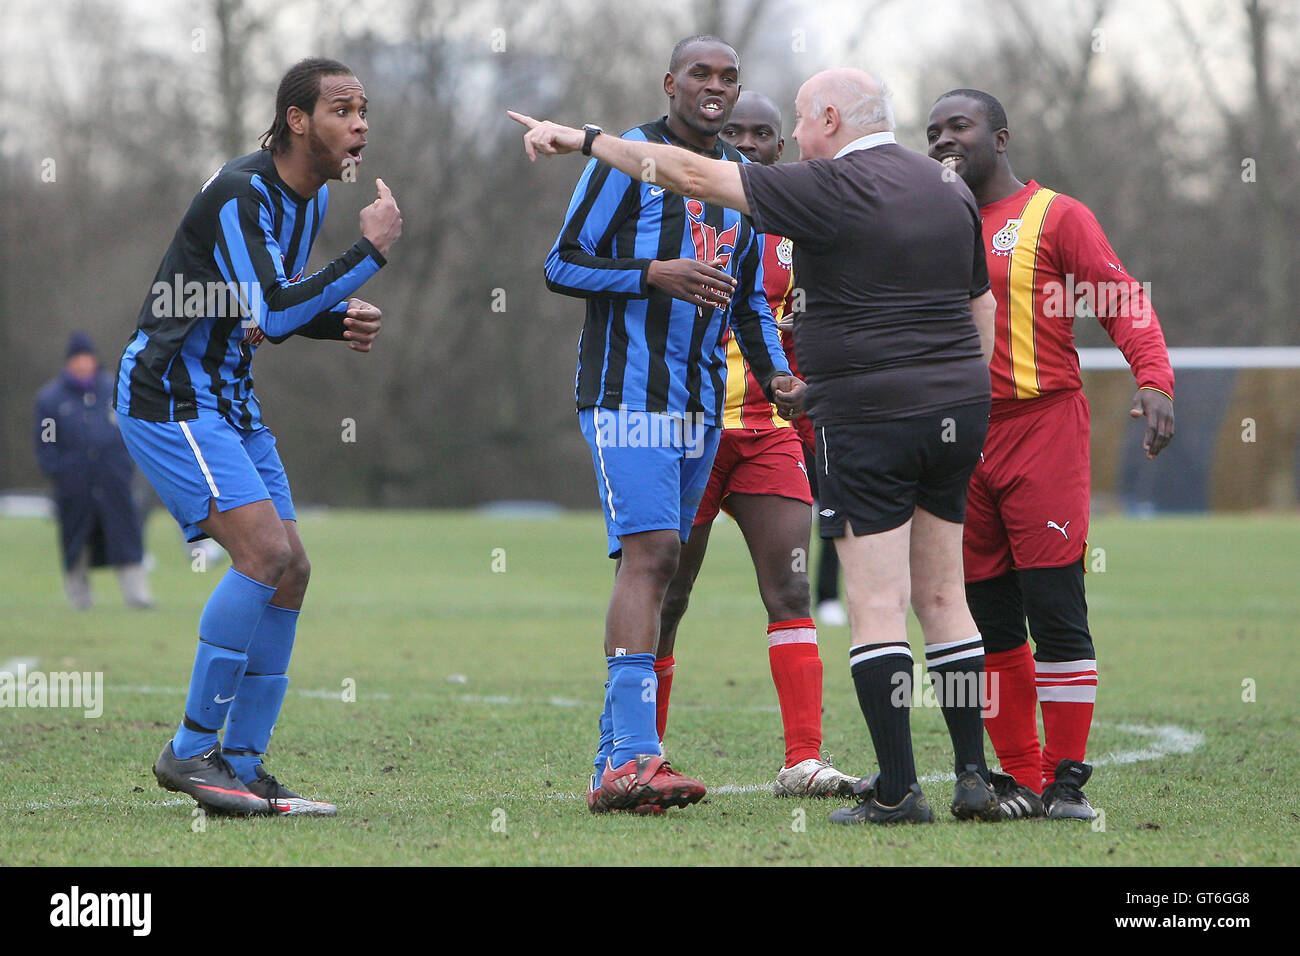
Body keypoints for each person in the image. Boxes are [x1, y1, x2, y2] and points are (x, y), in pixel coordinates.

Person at [512, 65, 1001, 827]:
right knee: (945, 599)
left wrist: (582, 138)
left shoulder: (826, 185)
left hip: (866, 417)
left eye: (801, 122)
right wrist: (976, 397)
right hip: (955, 411)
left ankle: (898, 789)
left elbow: (683, 170)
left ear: (831, 118)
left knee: (872, 603)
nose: (794, 140)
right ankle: (974, 776)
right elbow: (981, 303)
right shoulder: (947, 187)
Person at [115, 57, 402, 817]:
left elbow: (262, 309)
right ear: (297, 119)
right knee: (264, 554)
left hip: (227, 398)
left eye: (364, 109)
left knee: (293, 569)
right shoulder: (246, 191)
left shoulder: (303, 200)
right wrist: (366, 255)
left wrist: (338, 321)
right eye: (343, 108)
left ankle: (239, 765)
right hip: (171, 393)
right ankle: (189, 750)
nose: (361, 122)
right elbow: (272, 311)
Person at [539, 37, 797, 814]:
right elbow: (559, 264)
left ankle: (614, 765)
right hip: (627, 396)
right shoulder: (628, 158)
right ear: (670, 83)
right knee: (651, 555)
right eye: (701, 75)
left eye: (728, 78)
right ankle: (637, 756)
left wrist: (779, 373)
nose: (715, 88)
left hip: (698, 405)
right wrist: (651, 273)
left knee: (661, 560)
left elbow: (749, 296)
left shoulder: (741, 182)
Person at [926, 89, 1175, 819]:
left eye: (959, 126)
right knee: (986, 618)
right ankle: (1021, 779)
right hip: (958, 438)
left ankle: (1067, 783)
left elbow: (1121, 298)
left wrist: (1153, 379)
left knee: (1055, 606)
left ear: (1000, 138)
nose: (943, 139)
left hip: (1043, 429)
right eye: (933, 130)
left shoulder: (1055, 215)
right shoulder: (929, 224)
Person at [652, 90, 858, 798]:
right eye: (734, 130)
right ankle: (641, 754)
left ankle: (802, 759)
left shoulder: (805, 229)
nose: (746, 141)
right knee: (668, 593)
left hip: (768, 434)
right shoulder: (678, 213)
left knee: (792, 585)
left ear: (781, 147)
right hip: (689, 428)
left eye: (762, 133)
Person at [34, 332, 153, 611]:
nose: (83, 364)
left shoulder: (114, 390)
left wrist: (124, 465)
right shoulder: (50, 400)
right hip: (74, 486)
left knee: (126, 535)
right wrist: (60, 471)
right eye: (77, 359)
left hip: (114, 481)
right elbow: (46, 442)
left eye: (87, 358)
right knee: (76, 540)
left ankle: (138, 596)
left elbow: (132, 430)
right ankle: (80, 599)